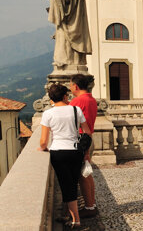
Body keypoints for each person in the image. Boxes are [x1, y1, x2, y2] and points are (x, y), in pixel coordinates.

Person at [38, 83, 92, 228]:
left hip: (58, 152)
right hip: (75, 151)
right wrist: (86, 152)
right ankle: (72, 217)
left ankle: (76, 220)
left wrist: (42, 148)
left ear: (51, 98)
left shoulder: (48, 114)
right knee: (72, 184)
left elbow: (43, 141)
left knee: (65, 185)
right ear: (64, 96)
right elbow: (86, 132)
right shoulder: (76, 110)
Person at [70, 74, 98, 219]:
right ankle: (91, 204)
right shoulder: (91, 99)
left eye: (70, 85)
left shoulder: (77, 101)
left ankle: (89, 207)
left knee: (83, 175)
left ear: (75, 86)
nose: (70, 87)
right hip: (89, 137)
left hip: (81, 139)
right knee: (87, 174)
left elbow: (67, 119)